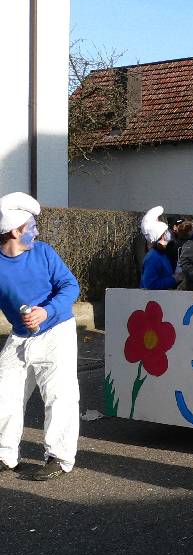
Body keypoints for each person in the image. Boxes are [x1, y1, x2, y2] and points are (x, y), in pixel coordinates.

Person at [0, 192, 80, 480]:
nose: (37, 232)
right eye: (32, 227)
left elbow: (70, 286)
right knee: (5, 394)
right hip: (20, 336)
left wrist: (46, 311)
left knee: (59, 395)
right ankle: (5, 455)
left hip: (57, 329)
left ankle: (59, 457)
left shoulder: (44, 252)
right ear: (14, 231)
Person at [140, 206, 183, 290]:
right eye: (166, 231)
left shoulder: (161, 254)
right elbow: (149, 285)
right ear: (162, 236)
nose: (169, 233)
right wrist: (174, 279)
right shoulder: (153, 257)